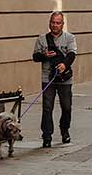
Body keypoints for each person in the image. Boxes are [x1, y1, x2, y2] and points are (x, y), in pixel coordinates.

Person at [32, 11, 76, 148]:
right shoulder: (42, 39)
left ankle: (64, 130)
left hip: (64, 78)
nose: (55, 25)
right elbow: (35, 57)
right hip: (48, 77)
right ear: (49, 23)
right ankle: (47, 136)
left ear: (62, 24)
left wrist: (64, 65)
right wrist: (44, 55)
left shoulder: (69, 38)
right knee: (47, 107)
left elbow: (72, 54)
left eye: (58, 23)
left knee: (66, 107)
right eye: (53, 22)